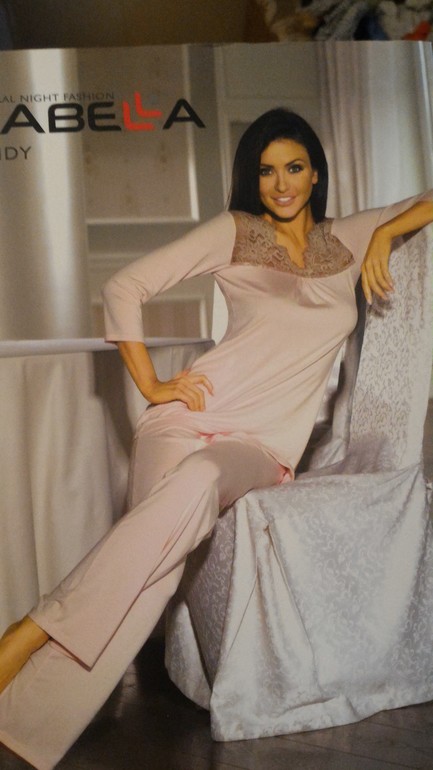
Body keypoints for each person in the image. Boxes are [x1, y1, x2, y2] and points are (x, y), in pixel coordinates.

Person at [0, 108, 432, 769]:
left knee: (198, 482)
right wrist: (152, 385)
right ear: (252, 180)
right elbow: (124, 285)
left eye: (293, 168)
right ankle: (19, 726)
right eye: (266, 171)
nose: (281, 184)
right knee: (154, 569)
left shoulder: (349, 237)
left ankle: (27, 633)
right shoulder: (235, 231)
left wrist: (385, 234)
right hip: (185, 418)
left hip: (259, 445)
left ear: (315, 174)